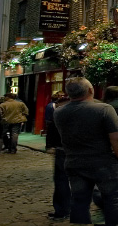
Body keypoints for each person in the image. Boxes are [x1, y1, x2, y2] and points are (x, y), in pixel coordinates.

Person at [54, 77, 118, 226]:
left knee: (79, 200)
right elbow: (117, 138)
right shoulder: (104, 109)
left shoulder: (59, 112)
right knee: (114, 200)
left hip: (74, 161)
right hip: (104, 162)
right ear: (90, 90)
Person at [45, 92, 71, 220]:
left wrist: (50, 146)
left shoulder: (59, 114)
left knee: (62, 180)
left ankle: (62, 210)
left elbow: (51, 131)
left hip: (63, 150)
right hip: (82, 150)